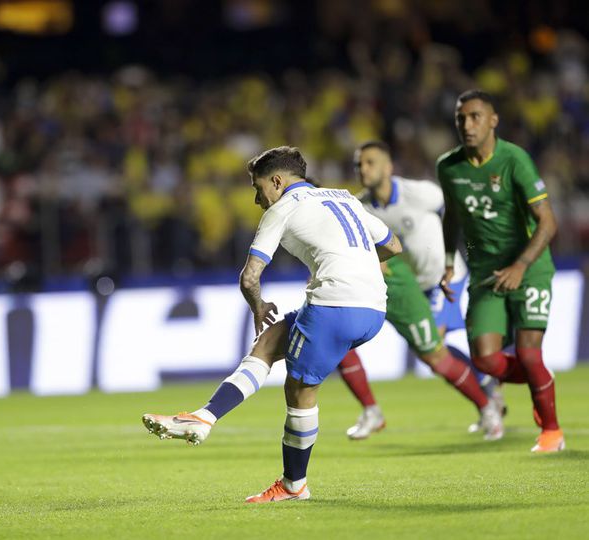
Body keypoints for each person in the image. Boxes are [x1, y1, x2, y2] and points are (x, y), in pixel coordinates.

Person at [143, 146, 402, 502]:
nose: (256, 199)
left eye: (258, 187)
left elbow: (249, 278)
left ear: (278, 181)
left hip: (334, 305)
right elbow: (393, 245)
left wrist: (257, 306)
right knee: (269, 344)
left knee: (299, 392)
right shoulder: (343, 197)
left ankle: (294, 485)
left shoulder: (283, 208)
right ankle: (203, 417)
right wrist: (359, 265)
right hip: (374, 309)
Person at [340, 141, 503, 441]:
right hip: (413, 286)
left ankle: (488, 396)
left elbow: (456, 210)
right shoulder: (362, 208)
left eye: (370, 163)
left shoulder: (419, 193)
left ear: (388, 168)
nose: (363, 169)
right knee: (429, 349)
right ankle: (486, 388)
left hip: (443, 277)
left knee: (434, 345)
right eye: (359, 165)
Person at [437, 89, 563, 453]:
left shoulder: (514, 160)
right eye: (461, 118)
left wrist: (522, 265)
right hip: (485, 273)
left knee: (527, 354)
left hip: (530, 267)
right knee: (486, 360)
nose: (467, 124)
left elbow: (548, 222)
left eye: (475, 116)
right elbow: (452, 216)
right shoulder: (448, 166)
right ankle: (542, 380)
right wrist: (448, 262)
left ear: (493, 120)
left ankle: (551, 431)